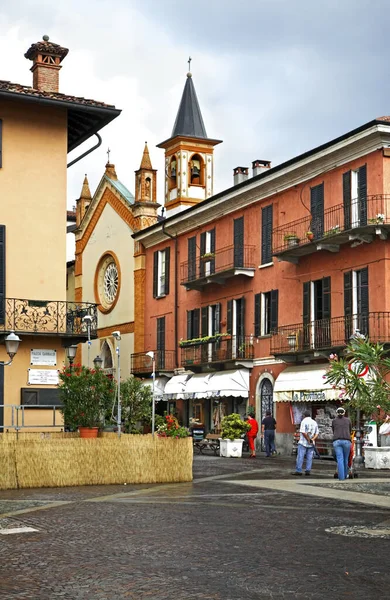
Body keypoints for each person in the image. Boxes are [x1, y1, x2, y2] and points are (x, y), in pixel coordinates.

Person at [292, 410, 319, 476]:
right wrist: (312, 439)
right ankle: (308, 470)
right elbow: (317, 433)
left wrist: (308, 439)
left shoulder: (303, 421)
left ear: (304, 416)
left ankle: (299, 470)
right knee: (309, 457)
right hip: (311, 443)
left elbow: (303, 432)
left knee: (300, 456)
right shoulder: (314, 422)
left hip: (303, 442)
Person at [332, 407, 352, 480]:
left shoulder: (334, 421)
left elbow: (333, 430)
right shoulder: (348, 420)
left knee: (340, 459)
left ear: (337, 413)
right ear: (344, 413)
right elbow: (350, 430)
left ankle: (341, 477)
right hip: (347, 440)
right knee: (346, 459)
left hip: (337, 440)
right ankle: (345, 475)